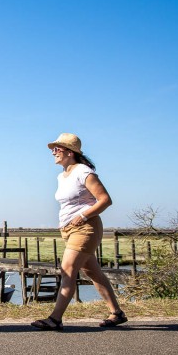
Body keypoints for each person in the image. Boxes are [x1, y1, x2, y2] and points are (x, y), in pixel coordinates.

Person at [31, 133, 128, 330]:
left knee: (67, 270)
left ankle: (55, 319)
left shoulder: (83, 172)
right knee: (93, 272)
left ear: (70, 152)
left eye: (56, 149)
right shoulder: (62, 175)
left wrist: (83, 216)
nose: (53, 153)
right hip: (69, 230)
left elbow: (105, 200)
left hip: (85, 228)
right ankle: (116, 313)